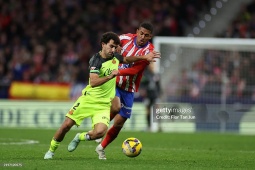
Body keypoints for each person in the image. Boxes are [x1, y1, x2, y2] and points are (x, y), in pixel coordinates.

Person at [44, 31, 160, 159]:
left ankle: (80, 137)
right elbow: (93, 82)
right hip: (88, 100)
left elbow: (127, 59)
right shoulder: (96, 60)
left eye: (115, 47)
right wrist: (110, 76)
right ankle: (51, 150)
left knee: (99, 132)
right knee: (66, 125)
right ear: (103, 44)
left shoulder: (116, 57)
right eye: (111, 46)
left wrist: (144, 57)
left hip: (104, 104)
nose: (113, 49)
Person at [94, 21, 159, 159]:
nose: (142, 37)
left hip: (129, 88)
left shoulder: (149, 52)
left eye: (146, 35)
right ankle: (99, 130)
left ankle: (101, 148)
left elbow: (136, 70)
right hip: (115, 82)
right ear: (137, 31)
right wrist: (114, 48)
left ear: (150, 37)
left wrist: (118, 71)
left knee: (119, 123)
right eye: (141, 33)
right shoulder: (124, 38)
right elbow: (111, 42)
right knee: (116, 108)